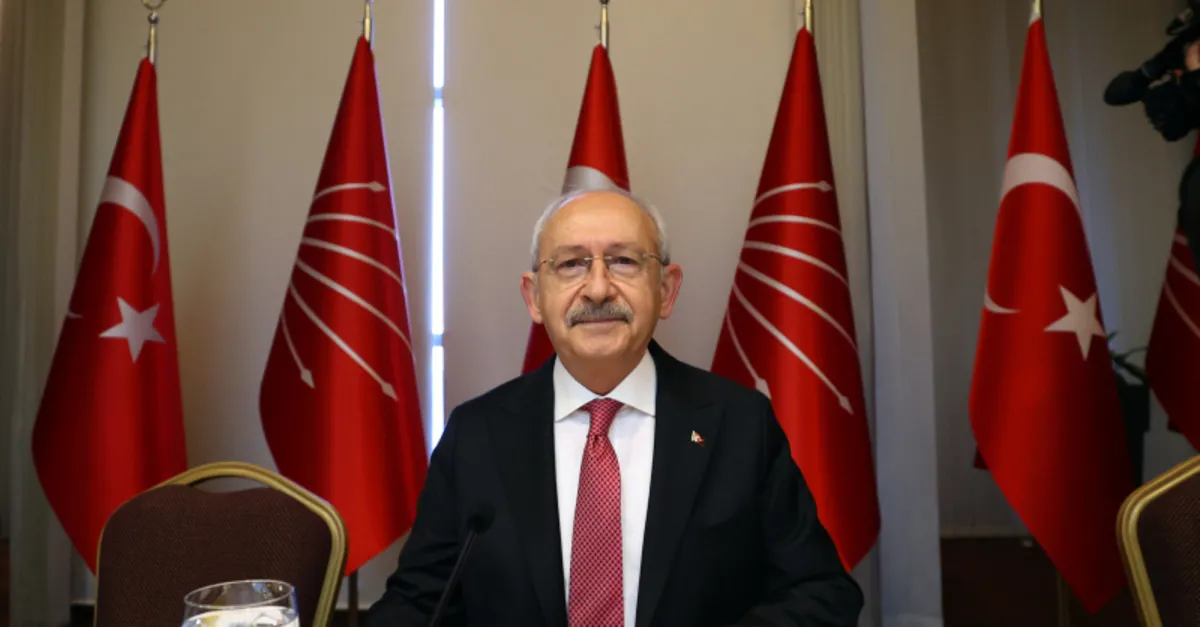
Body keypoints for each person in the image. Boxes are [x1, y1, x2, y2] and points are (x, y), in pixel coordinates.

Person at [365, 188, 863, 627]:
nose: (599, 288)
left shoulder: (739, 425)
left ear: (665, 290)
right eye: (571, 264)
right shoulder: (477, 435)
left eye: (624, 261)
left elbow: (821, 595)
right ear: (534, 297)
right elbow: (418, 606)